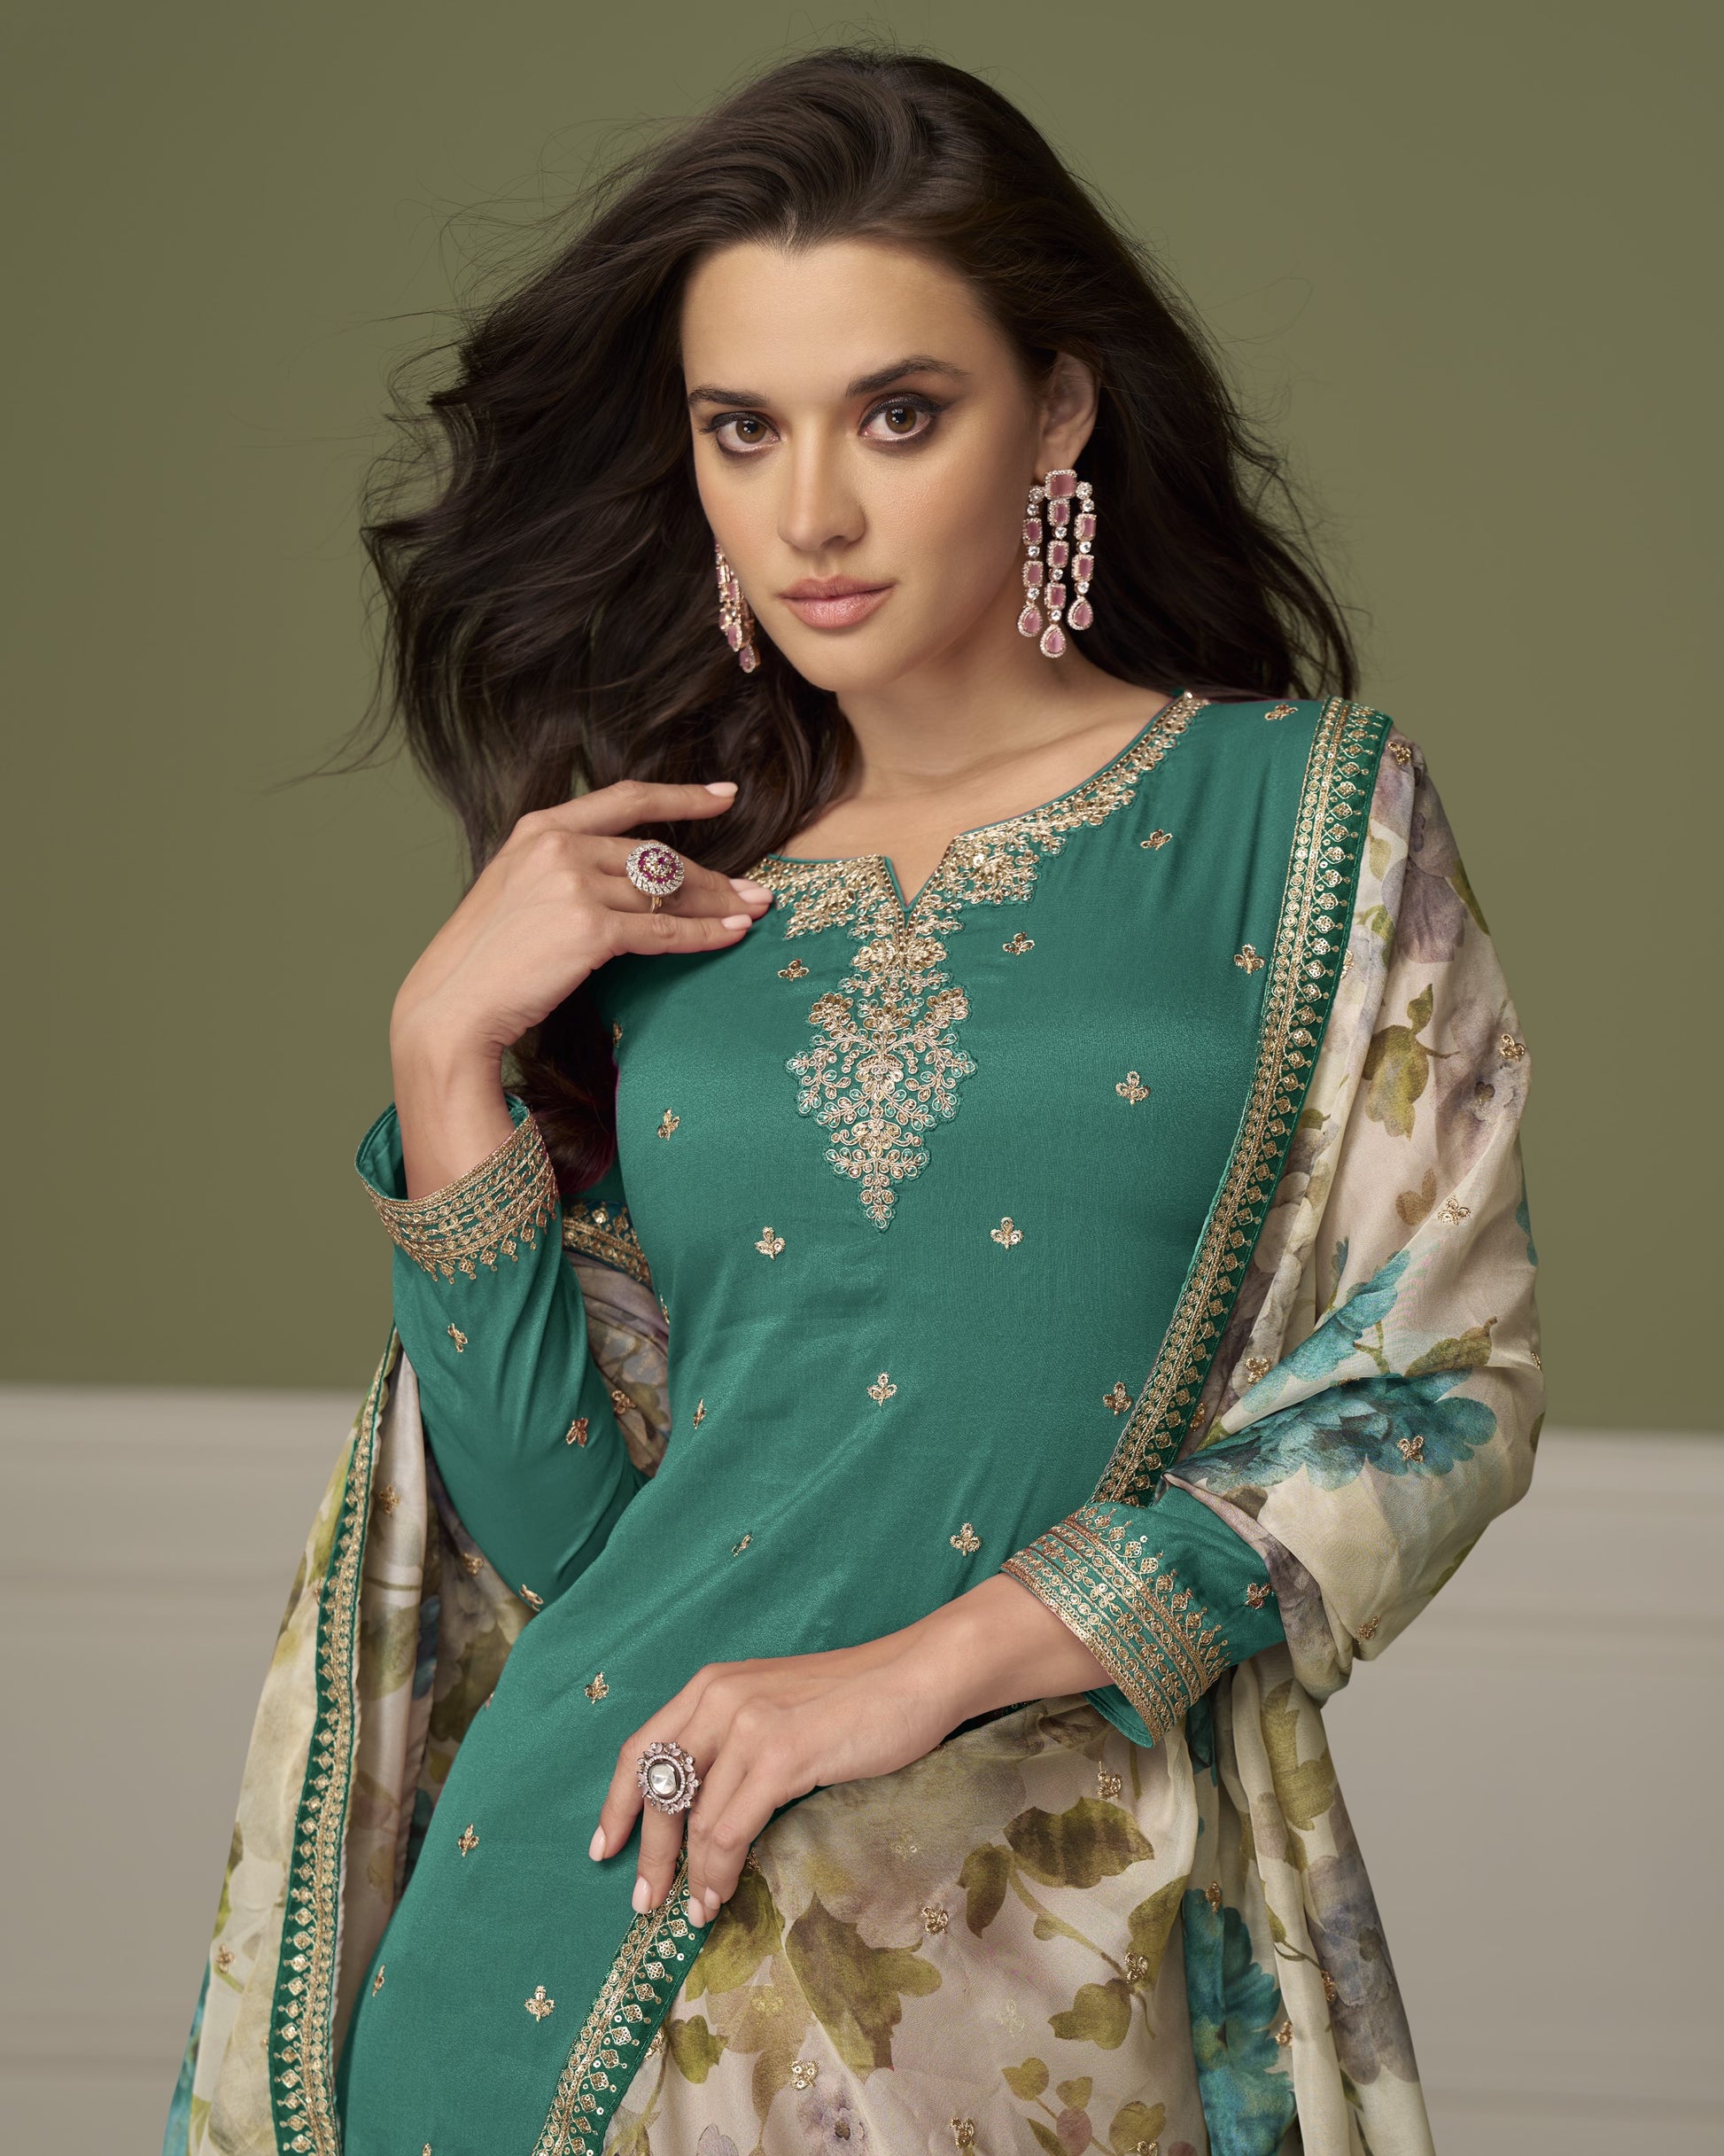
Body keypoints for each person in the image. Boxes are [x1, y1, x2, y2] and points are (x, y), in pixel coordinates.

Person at [165, 45, 1542, 2156]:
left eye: (899, 414)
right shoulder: (670, 891)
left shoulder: (1299, 821)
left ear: (1056, 416)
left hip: (1019, 1950)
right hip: (570, 1917)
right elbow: (560, 1544)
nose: (810, 509)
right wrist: (446, 1062)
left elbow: (1440, 1380)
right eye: (743, 428)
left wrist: (925, 1663)